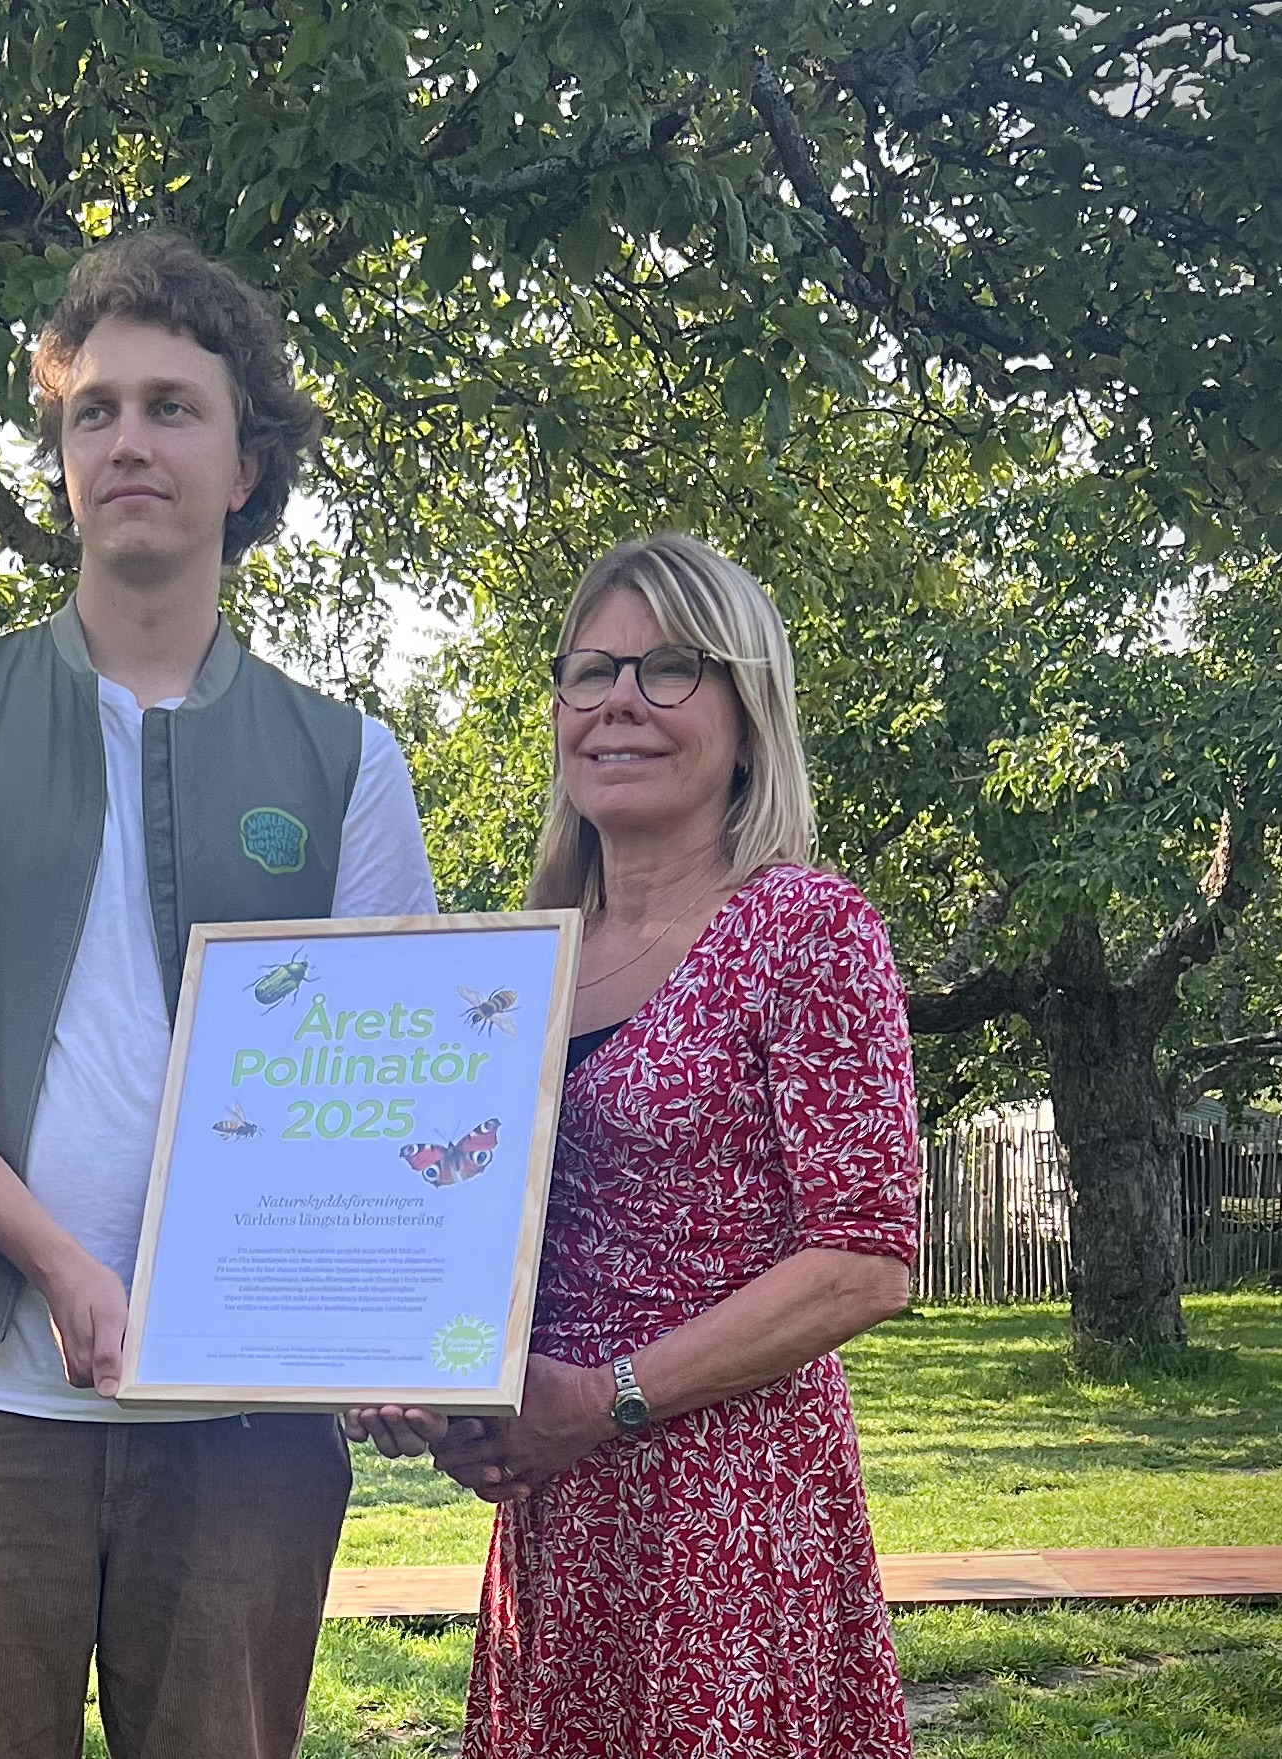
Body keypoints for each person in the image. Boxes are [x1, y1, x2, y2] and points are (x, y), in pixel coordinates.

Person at [0, 230, 437, 1759]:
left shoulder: (349, 761)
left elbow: (388, 1107)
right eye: (94, 410)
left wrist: (403, 1330)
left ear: (245, 463)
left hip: (245, 1431)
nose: (128, 439)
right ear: (61, 457)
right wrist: (59, 1264)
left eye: (172, 406)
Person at [345, 534, 919, 1757]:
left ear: (747, 712)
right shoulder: (516, 964)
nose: (619, 701)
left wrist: (604, 1400)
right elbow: (451, 1232)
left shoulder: (804, 925)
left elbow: (868, 1255)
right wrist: (417, 1385)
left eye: (670, 669)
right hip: (559, 1516)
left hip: (729, 1511)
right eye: (592, 669)